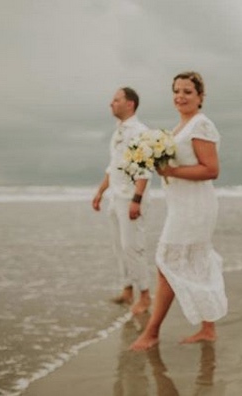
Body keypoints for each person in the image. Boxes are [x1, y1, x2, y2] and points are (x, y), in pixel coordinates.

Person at [130, 71, 227, 350]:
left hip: (195, 208)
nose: (180, 96)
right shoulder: (180, 126)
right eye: (177, 91)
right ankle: (208, 328)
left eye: (187, 91)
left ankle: (152, 332)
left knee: (167, 263)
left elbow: (211, 169)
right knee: (194, 263)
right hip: (181, 206)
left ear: (200, 97)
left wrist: (170, 170)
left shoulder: (201, 125)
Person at [92, 87, 153, 315]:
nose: (111, 103)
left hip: (131, 198)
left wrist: (136, 200)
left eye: (116, 100)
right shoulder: (117, 131)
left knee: (133, 247)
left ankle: (145, 295)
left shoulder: (139, 131)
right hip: (116, 197)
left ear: (130, 104)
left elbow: (145, 169)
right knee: (119, 246)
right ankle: (127, 289)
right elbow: (113, 166)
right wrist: (100, 192)